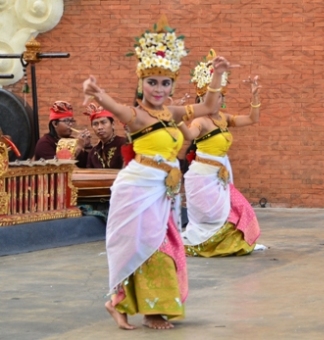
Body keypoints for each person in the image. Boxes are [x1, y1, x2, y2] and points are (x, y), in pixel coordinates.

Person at [82, 16, 234, 330]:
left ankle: (120, 302)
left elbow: (208, 106)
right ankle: (144, 309)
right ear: (142, 83)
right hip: (138, 188)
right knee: (148, 246)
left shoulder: (173, 113)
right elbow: (116, 108)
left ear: (172, 85)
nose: (159, 88)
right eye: (152, 82)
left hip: (164, 191)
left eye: (165, 83)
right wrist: (97, 93)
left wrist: (217, 76)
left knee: (164, 246)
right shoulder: (136, 116)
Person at [179, 49, 262, 257]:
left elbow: (252, 119)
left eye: (220, 96)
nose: (218, 100)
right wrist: (177, 118)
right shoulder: (200, 121)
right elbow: (189, 135)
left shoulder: (224, 119)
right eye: (213, 96)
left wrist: (255, 97)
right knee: (214, 217)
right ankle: (208, 245)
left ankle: (229, 244)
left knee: (239, 208)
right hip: (203, 176)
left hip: (221, 175)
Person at [34, 100, 91, 167]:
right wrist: (78, 147)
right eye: (66, 121)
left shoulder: (72, 140)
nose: (70, 124)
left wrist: (87, 146)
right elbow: (60, 167)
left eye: (72, 121)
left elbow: (85, 165)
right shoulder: (44, 143)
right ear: (55, 124)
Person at [84, 103, 127, 169]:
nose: (99, 127)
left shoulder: (124, 144)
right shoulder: (93, 152)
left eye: (103, 122)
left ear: (112, 125)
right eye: (95, 124)